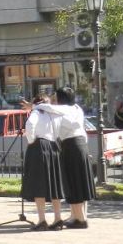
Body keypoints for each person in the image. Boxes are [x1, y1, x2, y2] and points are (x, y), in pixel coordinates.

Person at [51, 87, 95, 229]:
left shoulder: (63, 110)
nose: (54, 101)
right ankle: (78, 216)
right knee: (79, 181)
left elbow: (46, 108)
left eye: (56, 98)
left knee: (73, 181)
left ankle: (80, 219)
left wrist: (34, 106)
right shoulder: (77, 109)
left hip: (70, 146)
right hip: (81, 144)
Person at [21, 95, 65, 231]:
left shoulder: (36, 112)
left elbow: (30, 125)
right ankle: (58, 219)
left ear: (36, 104)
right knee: (54, 184)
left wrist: (31, 139)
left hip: (39, 146)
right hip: (53, 146)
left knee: (38, 183)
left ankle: (42, 220)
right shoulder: (56, 113)